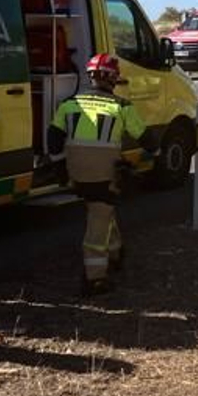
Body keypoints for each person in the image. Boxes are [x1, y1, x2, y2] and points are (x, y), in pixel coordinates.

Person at [47, 53, 154, 296]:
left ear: (90, 76)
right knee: (98, 221)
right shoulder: (121, 106)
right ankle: (95, 278)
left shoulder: (70, 103)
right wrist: (156, 152)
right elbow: (145, 137)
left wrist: (59, 166)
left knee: (102, 209)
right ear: (114, 79)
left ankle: (116, 253)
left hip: (76, 172)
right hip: (104, 174)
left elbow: (53, 136)